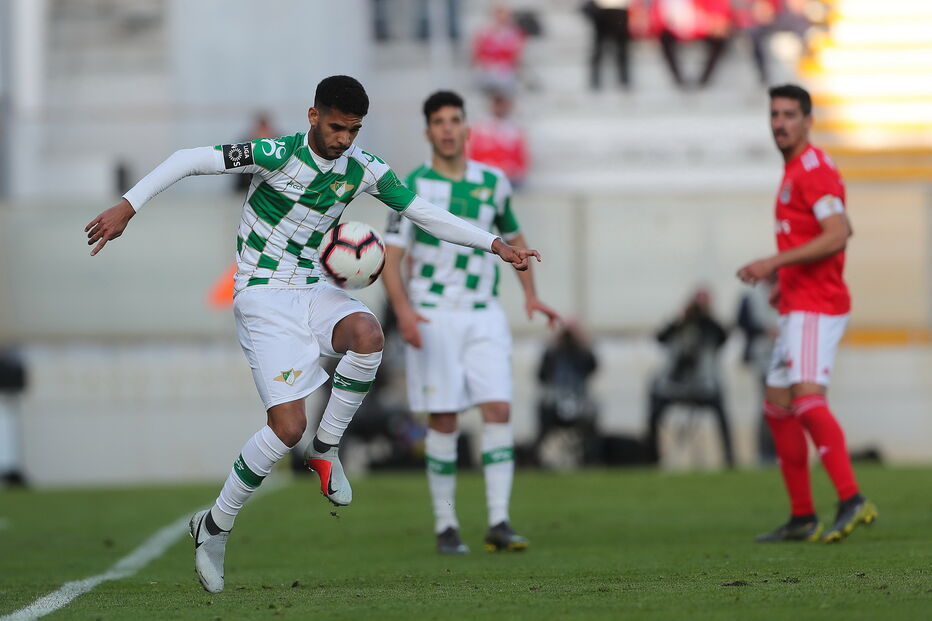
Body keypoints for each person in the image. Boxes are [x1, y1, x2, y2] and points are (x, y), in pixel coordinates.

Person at [84, 76, 540, 592]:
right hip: (261, 293)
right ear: (313, 115)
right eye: (337, 127)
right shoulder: (276, 153)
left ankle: (326, 451)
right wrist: (128, 205)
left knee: (368, 334)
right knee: (285, 429)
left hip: (315, 286)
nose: (344, 139)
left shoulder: (363, 169)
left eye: (354, 130)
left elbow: (425, 215)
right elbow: (189, 157)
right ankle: (214, 526)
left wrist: (495, 244)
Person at [381, 90, 559, 555]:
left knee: (498, 409)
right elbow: (390, 258)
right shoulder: (408, 186)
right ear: (428, 131)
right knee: (444, 419)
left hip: (484, 311)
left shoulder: (494, 182)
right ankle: (446, 526)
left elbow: (516, 240)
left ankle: (499, 521)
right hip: (432, 312)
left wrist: (532, 296)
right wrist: (403, 312)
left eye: (454, 119)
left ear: (466, 129)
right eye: (438, 120)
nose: (446, 127)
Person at [737, 84, 877, 543]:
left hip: (818, 306)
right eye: (774, 114)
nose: (779, 122)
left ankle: (852, 498)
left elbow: (838, 233)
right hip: (799, 301)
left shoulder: (812, 169)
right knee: (778, 407)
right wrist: (784, 285)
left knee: (807, 399)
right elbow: (826, 233)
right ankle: (802, 517)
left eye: (789, 114)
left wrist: (773, 264)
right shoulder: (796, 170)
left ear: (808, 120)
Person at [645, 287, 733, 467]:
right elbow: (660, 338)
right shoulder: (679, 326)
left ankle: (730, 459)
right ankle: (651, 457)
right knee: (654, 408)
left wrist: (707, 316)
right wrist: (680, 318)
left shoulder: (711, 328)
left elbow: (722, 337)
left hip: (704, 387)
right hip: (675, 386)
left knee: (722, 410)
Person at [466, 91, 529, 189]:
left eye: (504, 105)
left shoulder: (515, 129)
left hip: (508, 176)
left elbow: (520, 157)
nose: (501, 108)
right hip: (485, 174)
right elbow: (472, 153)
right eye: (498, 104)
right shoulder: (480, 128)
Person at [471, 4, 526, 95]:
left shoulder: (515, 33)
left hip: (505, 71)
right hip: (487, 70)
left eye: (503, 12)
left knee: (506, 78)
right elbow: (477, 55)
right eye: (498, 12)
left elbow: (516, 56)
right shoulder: (483, 32)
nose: (501, 16)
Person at [582, 0, 632, 90]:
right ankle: (596, 80)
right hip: (605, 9)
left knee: (620, 50)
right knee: (601, 49)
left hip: (618, 9)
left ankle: (623, 80)